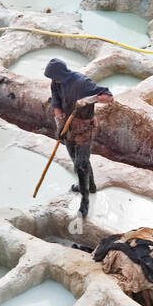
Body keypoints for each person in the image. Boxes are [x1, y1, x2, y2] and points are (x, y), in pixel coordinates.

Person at [43, 58, 113, 217]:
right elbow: (56, 105)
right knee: (77, 160)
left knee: (81, 164)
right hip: (68, 127)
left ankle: (85, 201)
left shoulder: (82, 83)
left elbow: (109, 97)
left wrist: (89, 99)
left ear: (60, 74)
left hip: (85, 129)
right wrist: (60, 125)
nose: (52, 81)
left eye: (53, 77)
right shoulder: (56, 83)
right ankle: (91, 185)